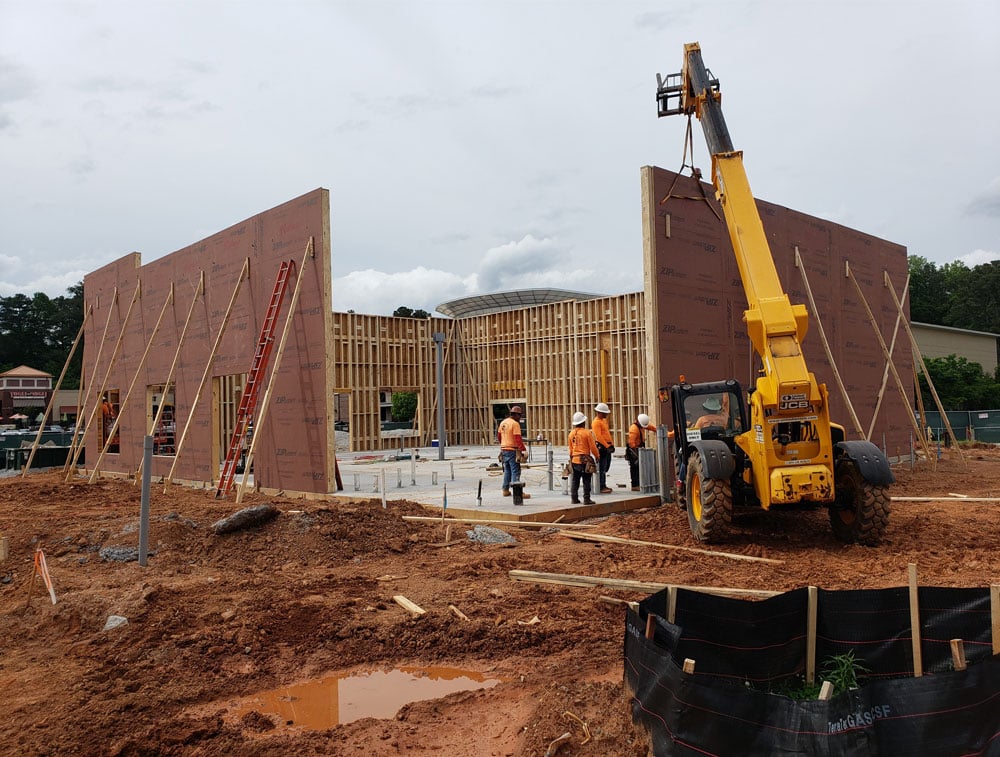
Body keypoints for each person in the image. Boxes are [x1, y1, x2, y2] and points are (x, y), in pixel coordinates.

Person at [497, 405, 530, 500]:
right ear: (515, 415)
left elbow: (499, 436)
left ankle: (505, 490)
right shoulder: (515, 424)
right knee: (515, 470)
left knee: (507, 470)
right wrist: (523, 449)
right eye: (519, 415)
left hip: (504, 450)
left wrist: (503, 445)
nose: (520, 417)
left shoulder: (503, 423)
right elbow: (518, 438)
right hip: (512, 450)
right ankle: (518, 492)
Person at [567, 411, 599, 505]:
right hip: (585, 460)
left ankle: (574, 498)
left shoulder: (571, 434)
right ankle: (586, 499)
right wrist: (597, 456)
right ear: (583, 422)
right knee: (586, 480)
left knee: (575, 480)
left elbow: (570, 449)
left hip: (575, 460)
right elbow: (593, 447)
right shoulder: (587, 433)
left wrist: (571, 460)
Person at [626, 413, 656, 491]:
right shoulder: (634, 429)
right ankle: (635, 485)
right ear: (639, 422)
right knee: (634, 468)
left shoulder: (641, 425)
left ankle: (639, 483)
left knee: (639, 468)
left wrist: (666, 433)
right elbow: (632, 444)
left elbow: (652, 428)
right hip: (633, 450)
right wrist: (636, 455)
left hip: (639, 448)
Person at [592, 403, 615, 494]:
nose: (606, 415)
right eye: (605, 413)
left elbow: (606, 434)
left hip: (606, 446)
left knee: (606, 466)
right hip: (602, 447)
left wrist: (611, 444)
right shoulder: (596, 422)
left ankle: (603, 484)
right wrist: (607, 446)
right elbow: (599, 436)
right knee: (602, 466)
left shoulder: (603, 421)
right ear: (599, 412)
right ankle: (601, 486)